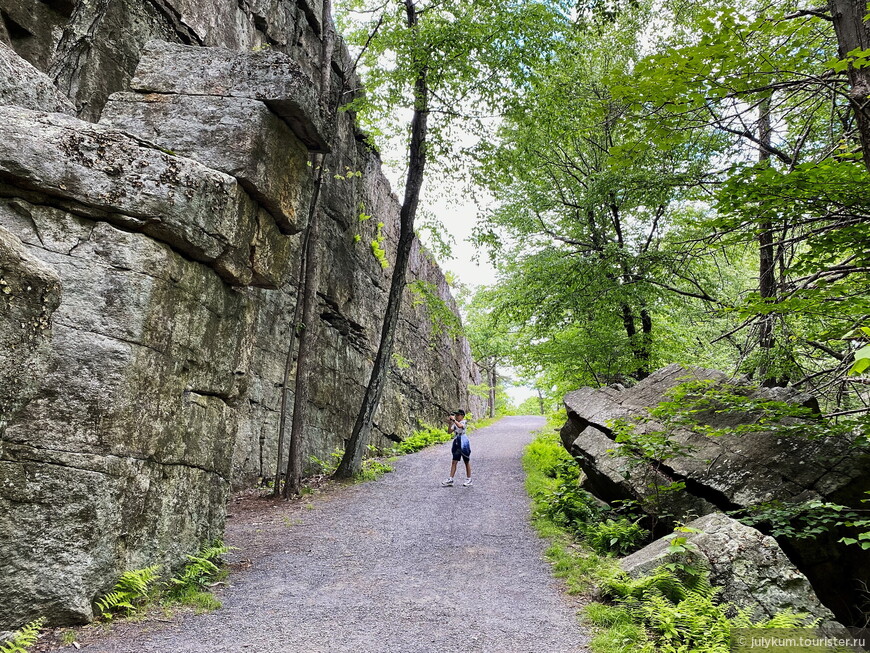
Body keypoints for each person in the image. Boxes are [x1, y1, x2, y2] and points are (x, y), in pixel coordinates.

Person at [441, 410, 472, 487]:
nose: (456, 416)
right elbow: (449, 431)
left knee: (466, 460)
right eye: (456, 415)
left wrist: (454, 420)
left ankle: (469, 479)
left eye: (458, 415)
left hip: (463, 440)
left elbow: (460, 426)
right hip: (456, 440)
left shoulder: (464, 422)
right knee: (454, 461)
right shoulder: (455, 423)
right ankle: (450, 479)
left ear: (462, 416)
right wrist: (450, 423)